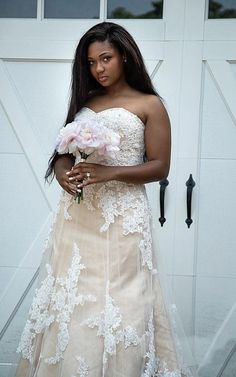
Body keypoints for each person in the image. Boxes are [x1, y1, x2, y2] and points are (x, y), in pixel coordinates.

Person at [15, 22, 195, 377]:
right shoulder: (87, 101)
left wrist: (108, 173)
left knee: (124, 300)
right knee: (74, 299)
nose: (98, 68)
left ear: (125, 56)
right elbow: (64, 150)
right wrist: (66, 171)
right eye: (92, 62)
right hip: (79, 217)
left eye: (106, 58)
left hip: (124, 217)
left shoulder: (149, 104)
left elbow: (160, 166)